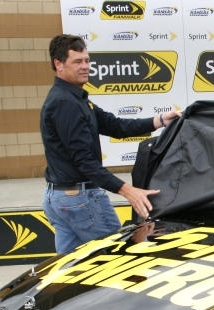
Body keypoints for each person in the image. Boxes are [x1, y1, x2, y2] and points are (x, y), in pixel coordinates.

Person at [40, 35, 182, 254]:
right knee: (120, 259)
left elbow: (114, 125)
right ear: (58, 64)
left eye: (87, 60)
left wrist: (160, 120)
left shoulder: (75, 99)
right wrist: (128, 191)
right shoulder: (64, 103)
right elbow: (85, 161)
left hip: (62, 200)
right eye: (77, 62)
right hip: (80, 200)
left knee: (72, 272)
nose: (85, 66)